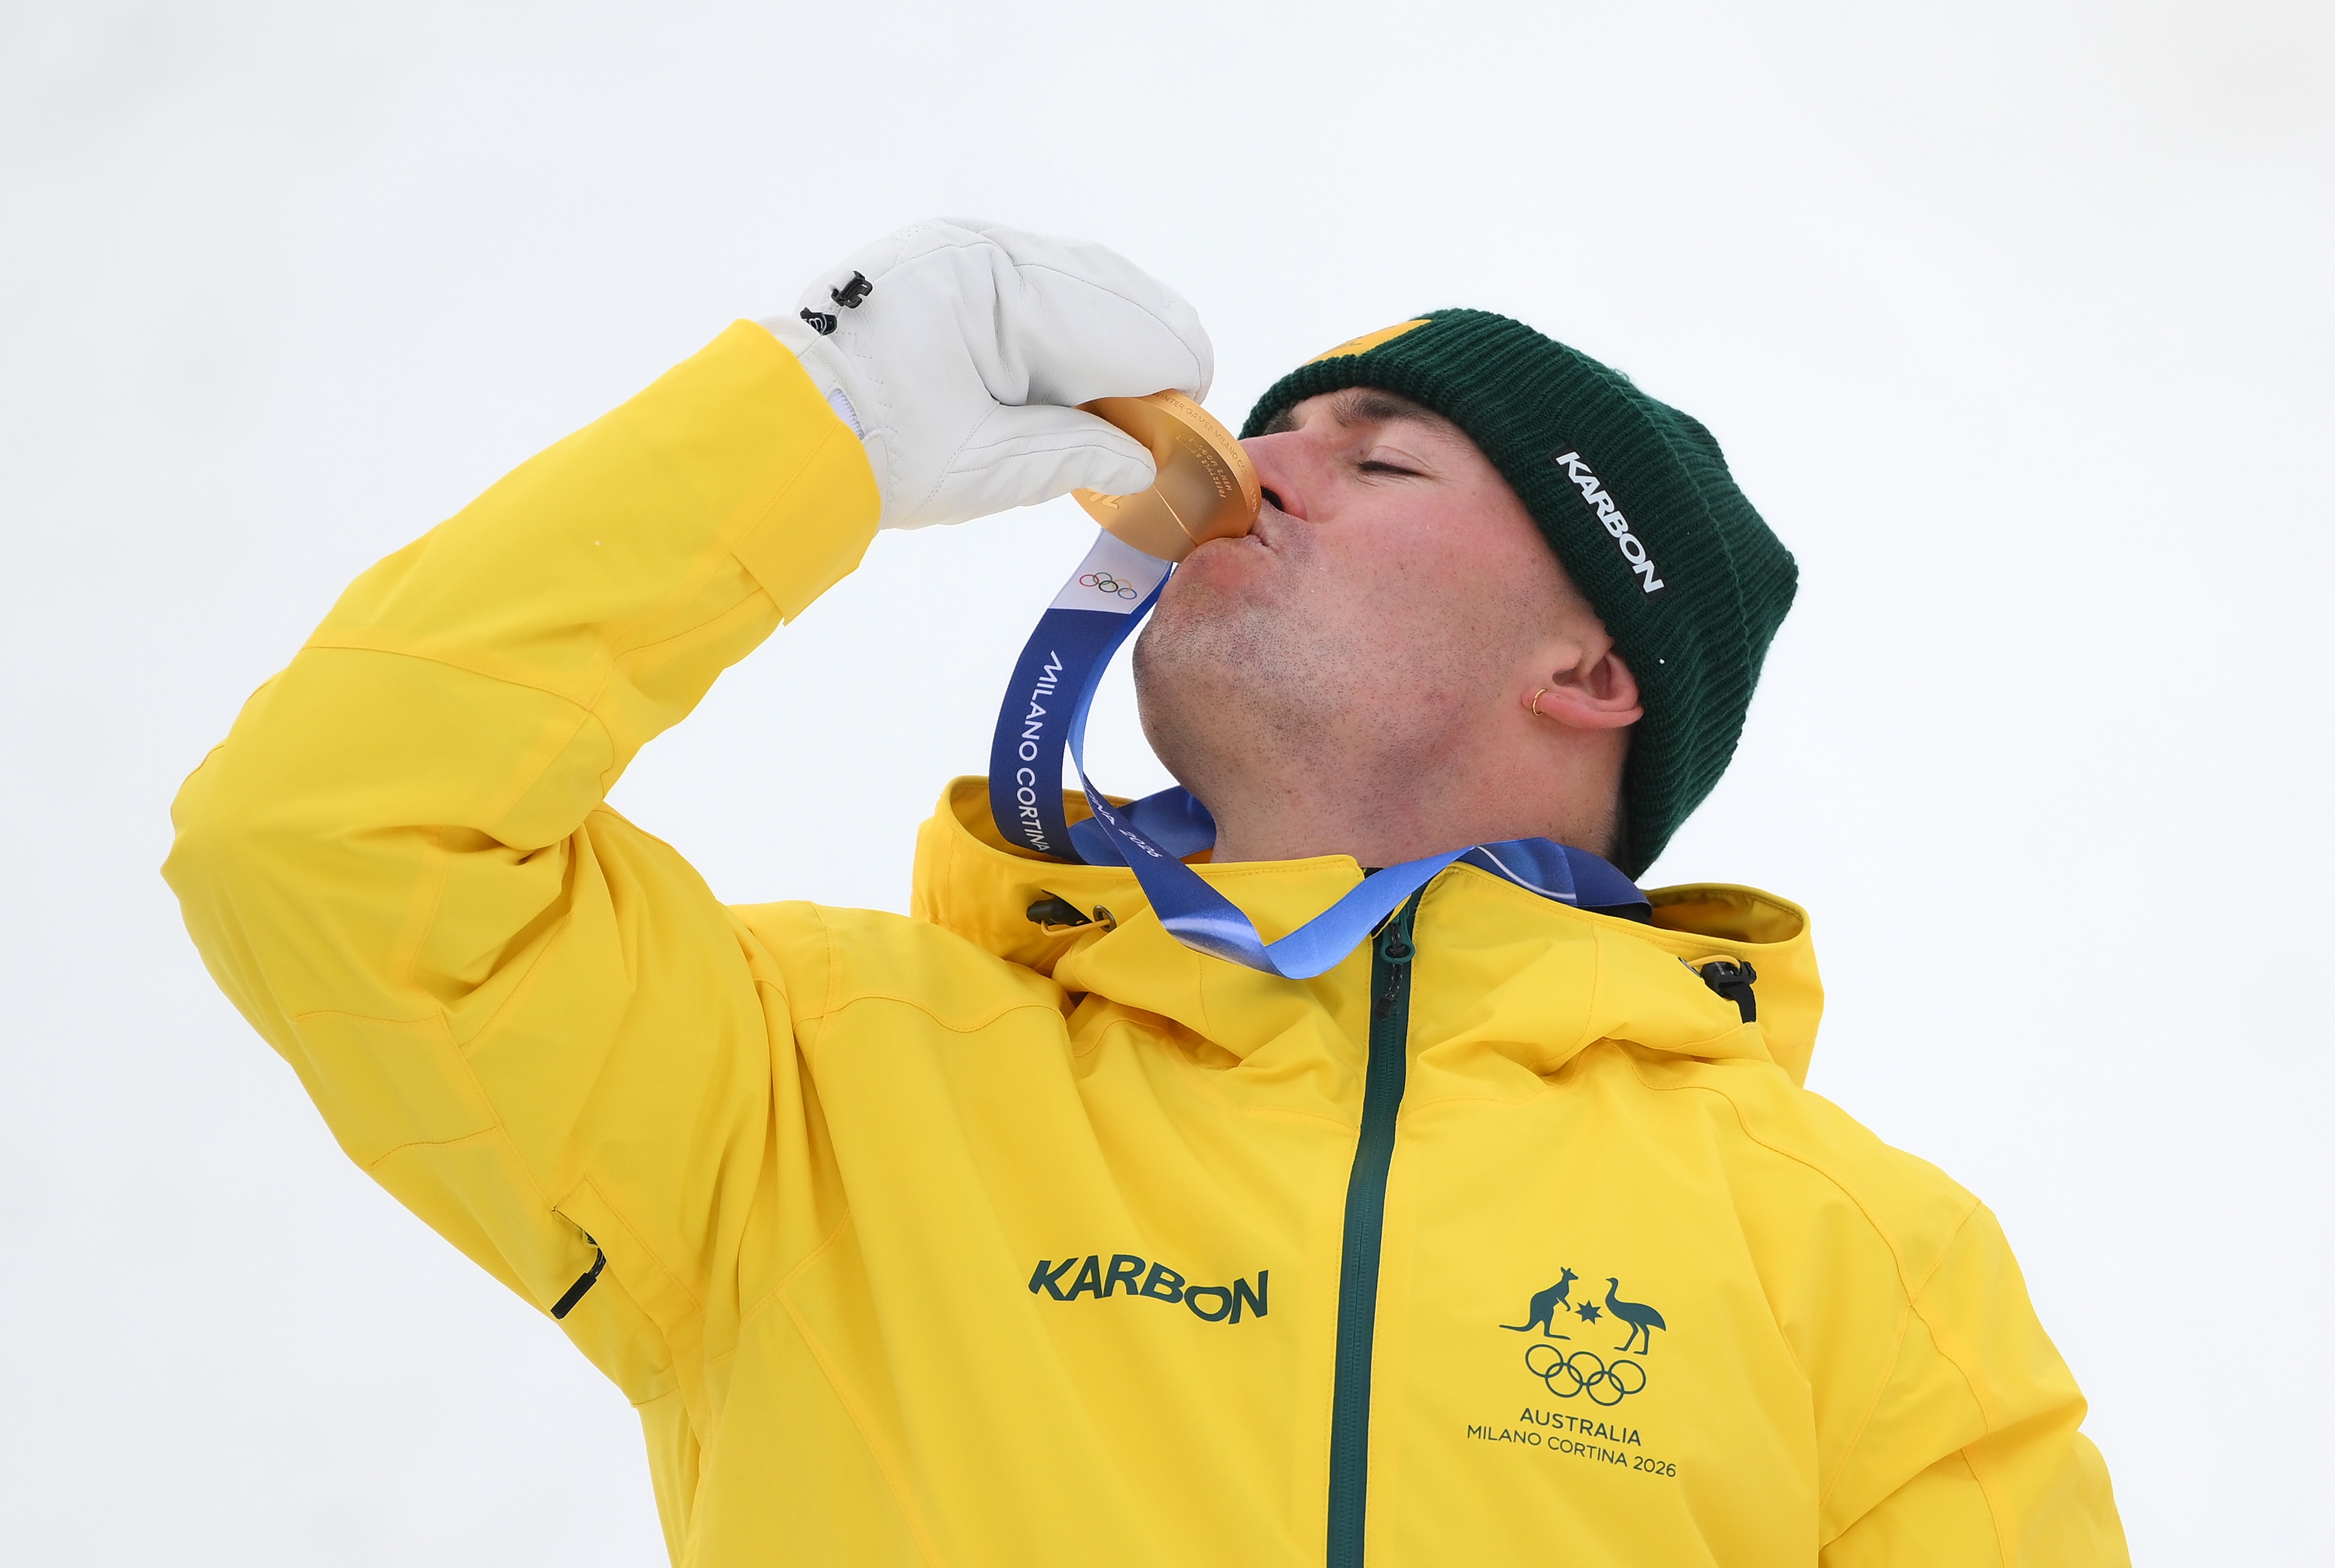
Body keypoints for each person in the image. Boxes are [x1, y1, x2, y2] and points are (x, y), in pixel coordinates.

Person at [165, 219, 2128, 1566]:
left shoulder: (1856, 1256)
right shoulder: (818, 1095)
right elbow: (329, 837)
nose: (1252, 466)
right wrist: (812, 414)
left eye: (1386, 461)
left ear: (1594, 672)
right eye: (1268, 423)